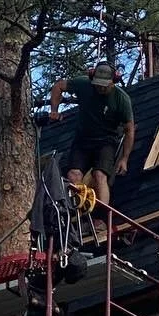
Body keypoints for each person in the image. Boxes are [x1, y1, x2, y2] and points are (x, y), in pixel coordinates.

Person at [48, 59, 136, 214]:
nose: (100, 88)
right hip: (83, 139)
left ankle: (101, 217)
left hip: (106, 141)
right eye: (98, 84)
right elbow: (58, 86)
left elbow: (129, 129)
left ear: (113, 81)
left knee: (100, 175)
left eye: (104, 85)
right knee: (73, 175)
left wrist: (124, 158)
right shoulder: (83, 84)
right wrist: (54, 110)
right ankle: (75, 215)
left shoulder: (122, 99)